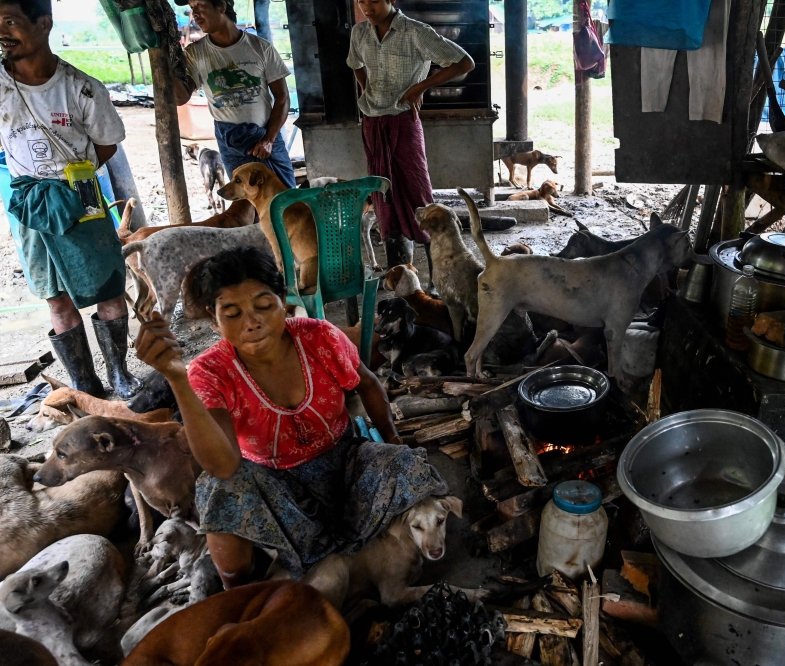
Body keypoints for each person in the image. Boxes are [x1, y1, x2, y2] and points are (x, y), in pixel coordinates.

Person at [135, 247, 448, 585]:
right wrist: (177, 381)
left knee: (410, 465)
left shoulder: (319, 336)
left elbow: (369, 386)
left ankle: (349, 553)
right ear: (214, 319)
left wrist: (393, 440)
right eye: (232, 313)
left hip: (345, 463)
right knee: (219, 491)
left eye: (263, 306)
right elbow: (224, 466)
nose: (252, 322)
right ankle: (240, 589)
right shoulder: (209, 372)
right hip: (274, 483)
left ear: (282, 300)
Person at [0, 0, 141, 398]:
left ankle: (119, 373)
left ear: (43, 24)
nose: (2, 32)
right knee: (55, 295)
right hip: (28, 200)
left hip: (81, 194)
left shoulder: (81, 87)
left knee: (108, 285)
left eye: (10, 22)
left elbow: (107, 145)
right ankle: (84, 382)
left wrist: (71, 181)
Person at [347, 0, 475, 272]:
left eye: (374, 1)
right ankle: (400, 271)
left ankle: (437, 271)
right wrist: (367, 90)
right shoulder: (359, 33)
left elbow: (465, 62)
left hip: (404, 122)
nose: (367, 7)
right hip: (372, 122)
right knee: (383, 193)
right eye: (361, 1)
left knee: (417, 190)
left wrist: (421, 87)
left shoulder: (416, 32)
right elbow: (355, 63)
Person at [173, 0, 296, 189]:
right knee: (245, 202)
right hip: (230, 139)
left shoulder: (260, 47)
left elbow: (283, 98)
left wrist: (269, 140)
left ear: (221, 6)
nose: (194, 13)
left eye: (199, 4)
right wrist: (168, 64)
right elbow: (181, 98)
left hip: (266, 134)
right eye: (191, 7)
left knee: (286, 196)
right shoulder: (195, 54)